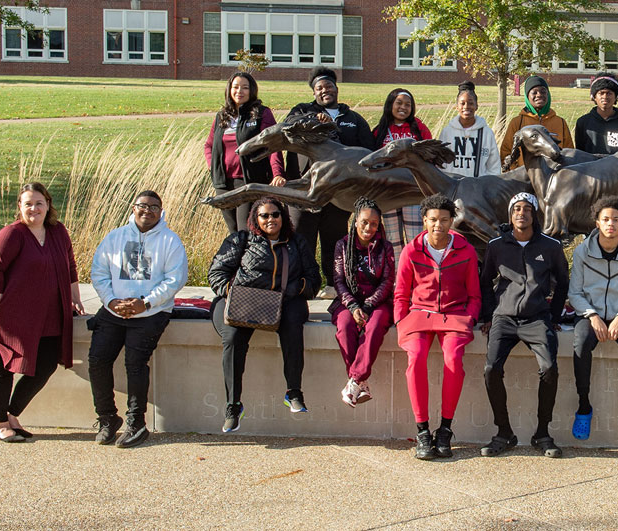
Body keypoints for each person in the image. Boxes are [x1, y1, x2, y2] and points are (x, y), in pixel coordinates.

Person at [0, 183, 84, 443]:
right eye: (27, 204)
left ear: (48, 204)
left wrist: (74, 298)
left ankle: (12, 413)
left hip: (48, 312)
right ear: (20, 207)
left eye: (39, 203)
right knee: (4, 365)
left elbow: (70, 266)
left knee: (47, 363)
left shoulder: (58, 232)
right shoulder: (12, 234)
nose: (34, 208)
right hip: (9, 312)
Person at [208, 198, 321, 433]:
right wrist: (233, 292)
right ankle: (233, 406)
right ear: (255, 219)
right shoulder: (241, 240)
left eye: (275, 214)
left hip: (284, 302)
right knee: (232, 339)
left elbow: (314, 279)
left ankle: (294, 392)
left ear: (283, 217)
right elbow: (217, 272)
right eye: (265, 216)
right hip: (243, 302)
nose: (271, 219)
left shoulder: (296, 243)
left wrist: (292, 290)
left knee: (293, 325)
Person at [88, 190, 189, 448]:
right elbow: (99, 272)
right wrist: (110, 301)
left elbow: (175, 279)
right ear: (133, 208)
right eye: (142, 206)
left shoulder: (170, 241)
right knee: (98, 360)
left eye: (154, 207)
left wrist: (144, 302)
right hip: (113, 310)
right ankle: (108, 418)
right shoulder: (115, 237)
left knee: (135, 363)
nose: (147, 211)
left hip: (152, 312)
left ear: (161, 211)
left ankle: (137, 423)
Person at [479, 193, 570, 458]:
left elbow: (563, 281)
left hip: (537, 318)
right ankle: (503, 432)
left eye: (527, 209)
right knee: (491, 369)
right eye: (517, 209)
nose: (522, 213)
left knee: (549, 368)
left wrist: (553, 316)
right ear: (510, 215)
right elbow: (485, 281)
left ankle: (542, 433)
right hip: (504, 318)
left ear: (535, 215)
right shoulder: (496, 245)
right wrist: (488, 316)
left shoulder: (550, 246)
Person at [393, 194, 482, 460]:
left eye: (444, 220)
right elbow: (400, 293)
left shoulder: (466, 251)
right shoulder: (412, 250)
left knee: (453, 358)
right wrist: (401, 320)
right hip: (419, 315)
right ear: (424, 221)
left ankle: (445, 429)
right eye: (433, 220)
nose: (438, 225)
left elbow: (475, 295)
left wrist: (470, 317)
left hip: (454, 315)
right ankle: (422, 431)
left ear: (451, 221)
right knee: (416, 358)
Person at [568, 196, 618, 439]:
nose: (610, 224)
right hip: (589, 315)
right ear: (597, 223)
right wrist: (592, 316)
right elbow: (575, 293)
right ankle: (584, 407)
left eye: (615, 219)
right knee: (580, 343)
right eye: (605, 219)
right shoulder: (582, 252)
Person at [284, 67, 377, 273]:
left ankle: (334, 282)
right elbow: (288, 127)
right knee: (301, 235)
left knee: (334, 238)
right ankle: (303, 281)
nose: (324, 90)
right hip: (305, 188)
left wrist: (335, 128)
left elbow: (368, 151)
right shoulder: (302, 111)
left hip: (339, 191)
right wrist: (314, 122)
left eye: (328, 86)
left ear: (336, 88)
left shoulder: (353, 119)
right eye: (319, 88)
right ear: (314, 93)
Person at [330, 198, 396, 408]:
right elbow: (338, 281)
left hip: (378, 302)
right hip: (348, 300)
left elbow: (388, 281)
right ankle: (360, 382)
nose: (369, 228)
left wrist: (367, 306)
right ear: (355, 221)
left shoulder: (385, 247)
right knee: (345, 327)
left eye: (374, 224)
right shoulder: (342, 245)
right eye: (365, 222)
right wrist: (353, 306)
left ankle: (355, 380)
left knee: (375, 326)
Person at [203, 72, 286, 233]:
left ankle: (252, 258)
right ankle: (239, 258)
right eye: (235, 87)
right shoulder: (222, 116)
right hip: (224, 184)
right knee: (233, 231)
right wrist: (212, 166)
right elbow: (209, 145)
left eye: (245, 87)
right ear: (229, 90)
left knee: (246, 229)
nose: (239, 91)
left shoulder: (262, 113)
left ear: (252, 90)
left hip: (249, 181)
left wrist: (277, 173)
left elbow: (273, 146)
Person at [372, 87, 433, 257]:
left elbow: (430, 156)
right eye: (399, 103)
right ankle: (397, 278)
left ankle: (417, 275)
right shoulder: (380, 130)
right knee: (393, 239)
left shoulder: (418, 127)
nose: (403, 107)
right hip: (388, 192)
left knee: (415, 236)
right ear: (390, 105)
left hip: (412, 190)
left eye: (408, 104)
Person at [500, 75, 574, 169]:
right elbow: (506, 152)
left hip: (555, 179)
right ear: (527, 96)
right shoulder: (517, 122)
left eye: (543, 91)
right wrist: (517, 174)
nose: (539, 95)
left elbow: (569, 152)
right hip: (525, 178)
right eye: (534, 92)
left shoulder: (560, 122)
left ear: (548, 94)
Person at [437, 81, 501, 178]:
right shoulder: (447, 132)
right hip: (452, 188)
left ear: (476, 106)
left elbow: (494, 166)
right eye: (462, 103)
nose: (466, 107)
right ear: (457, 107)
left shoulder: (487, 133)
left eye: (471, 103)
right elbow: (440, 164)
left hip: (477, 188)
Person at [574, 73, 618, 155]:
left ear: (616, 96)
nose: (605, 97)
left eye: (609, 93)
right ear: (594, 96)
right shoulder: (583, 122)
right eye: (601, 93)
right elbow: (579, 152)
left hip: (616, 167)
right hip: (589, 166)